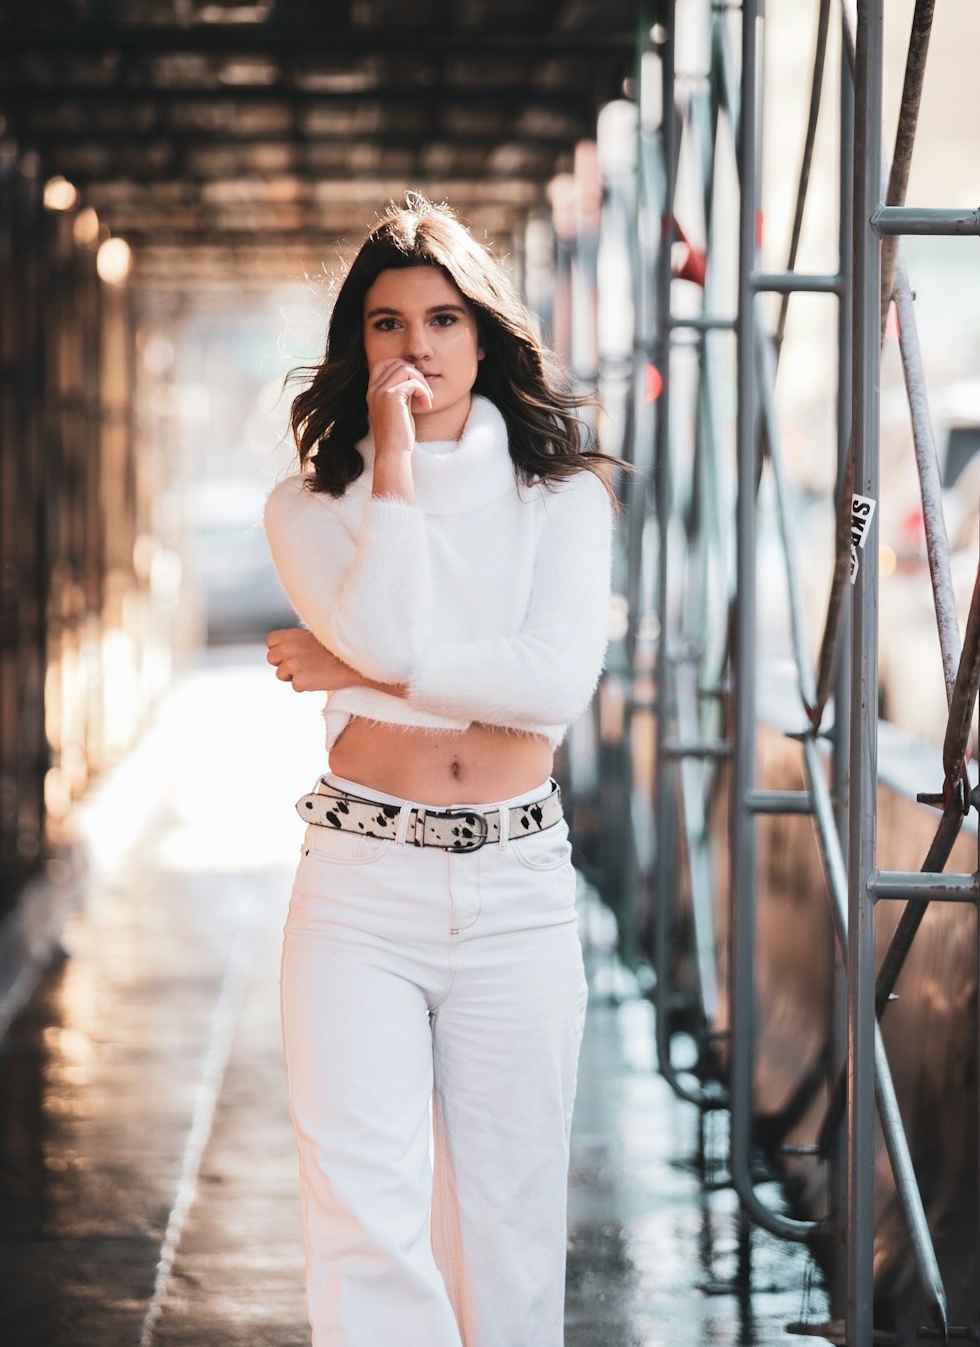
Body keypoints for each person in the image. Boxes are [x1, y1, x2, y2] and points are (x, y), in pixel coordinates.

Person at [263, 192, 616, 1347]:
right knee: (363, 1221)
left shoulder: (562, 500)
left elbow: (549, 685)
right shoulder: (308, 508)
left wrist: (355, 671)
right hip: (359, 887)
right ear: (354, 346)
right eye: (384, 323)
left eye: (442, 319)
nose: (414, 345)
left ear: (483, 336)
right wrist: (399, 465)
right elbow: (397, 631)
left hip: (516, 889)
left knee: (508, 1233)